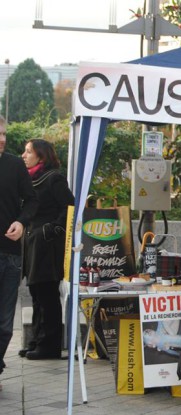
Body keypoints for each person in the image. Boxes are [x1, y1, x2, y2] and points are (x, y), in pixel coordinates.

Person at [19, 139, 73, 360]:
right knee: (36, 293)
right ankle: (37, 340)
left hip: (46, 244)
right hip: (32, 242)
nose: (24, 155)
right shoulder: (31, 180)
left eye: (28, 151)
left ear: (41, 156)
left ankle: (49, 345)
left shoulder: (53, 178)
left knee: (47, 294)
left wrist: (52, 229)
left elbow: (70, 206)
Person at [0, 116, 38, 390]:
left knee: (4, 325)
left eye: (3, 133)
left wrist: (22, 221)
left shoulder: (14, 165)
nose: (2, 138)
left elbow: (32, 200)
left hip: (10, 255)